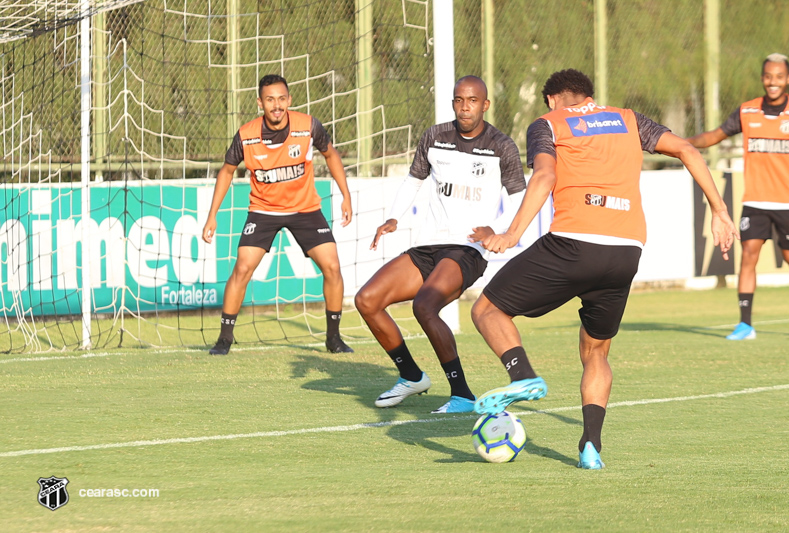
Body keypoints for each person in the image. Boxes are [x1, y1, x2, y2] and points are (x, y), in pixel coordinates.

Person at [469, 69, 738, 469]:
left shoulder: (549, 123)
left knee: (487, 309)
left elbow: (544, 175)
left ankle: (522, 374)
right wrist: (719, 212)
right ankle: (591, 447)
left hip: (574, 243)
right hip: (626, 252)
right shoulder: (628, 119)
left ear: (552, 99)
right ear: (589, 96)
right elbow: (689, 150)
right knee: (596, 350)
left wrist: (510, 234)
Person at [354, 75, 526, 414]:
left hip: (468, 250)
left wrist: (499, 229)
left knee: (424, 305)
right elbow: (413, 180)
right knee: (367, 300)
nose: (465, 107)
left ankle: (461, 393)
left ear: (485, 104)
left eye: (473, 100)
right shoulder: (435, 137)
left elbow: (521, 197)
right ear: (453, 103)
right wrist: (394, 217)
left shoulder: (501, 145)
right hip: (428, 246)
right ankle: (411, 375)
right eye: (459, 100)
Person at [202, 74, 354, 355]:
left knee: (332, 267)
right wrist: (212, 215)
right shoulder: (246, 135)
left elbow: (331, 155)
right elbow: (226, 171)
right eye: (270, 99)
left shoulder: (308, 126)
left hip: (305, 209)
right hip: (263, 210)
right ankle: (224, 339)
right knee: (242, 269)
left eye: (281, 98)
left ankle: (333, 337)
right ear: (260, 102)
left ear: (289, 100)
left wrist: (345, 195)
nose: (277, 105)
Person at [688, 53, 789, 341]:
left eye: (778, 77)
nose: (772, 82)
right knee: (748, 256)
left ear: (788, 78)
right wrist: (682, 144)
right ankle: (745, 325)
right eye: (767, 76)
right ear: (763, 78)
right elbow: (715, 136)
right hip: (755, 202)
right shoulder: (747, 111)